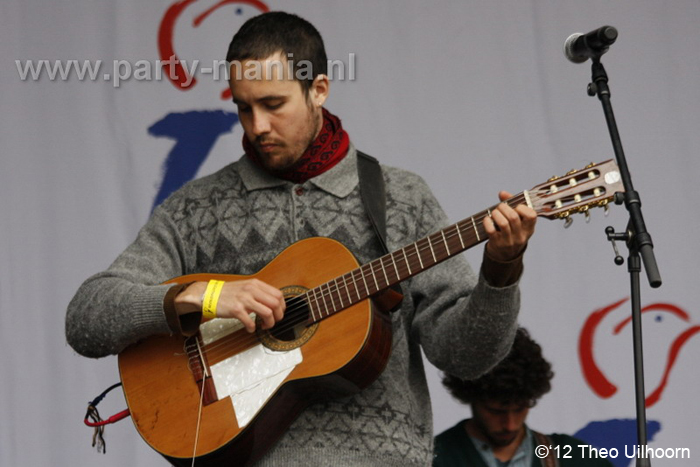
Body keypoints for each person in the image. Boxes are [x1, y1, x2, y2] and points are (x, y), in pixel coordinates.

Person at [66, 11, 537, 467]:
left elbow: (466, 359)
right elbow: (87, 316)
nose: (257, 127)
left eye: (273, 105)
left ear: (319, 90)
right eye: (244, 107)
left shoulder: (401, 197)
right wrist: (205, 296)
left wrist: (502, 268)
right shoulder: (198, 207)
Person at [433, 328, 613, 467]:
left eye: (520, 408)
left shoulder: (571, 455)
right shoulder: (433, 457)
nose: (510, 424)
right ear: (471, 396)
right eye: (496, 411)